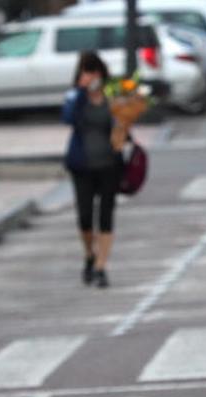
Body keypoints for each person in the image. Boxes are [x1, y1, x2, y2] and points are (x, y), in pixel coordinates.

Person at [61, 52, 122, 289]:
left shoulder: (112, 96)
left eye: (95, 72)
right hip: (82, 165)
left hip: (109, 164)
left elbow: (122, 123)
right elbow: (67, 119)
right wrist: (80, 93)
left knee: (106, 215)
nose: (92, 77)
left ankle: (101, 266)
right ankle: (89, 253)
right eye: (87, 72)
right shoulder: (75, 96)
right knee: (85, 216)